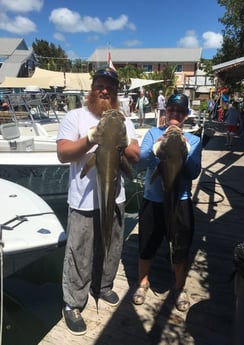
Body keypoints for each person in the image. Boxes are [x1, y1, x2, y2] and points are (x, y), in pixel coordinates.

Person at [56, 65, 140, 335]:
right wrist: (91, 138)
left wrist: (122, 142)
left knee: (112, 245)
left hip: (116, 198)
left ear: (116, 92)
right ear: (92, 88)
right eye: (100, 85)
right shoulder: (74, 116)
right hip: (82, 202)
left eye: (110, 87)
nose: (104, 90)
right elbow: (63, 153)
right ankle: (73, 303)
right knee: (79, 252)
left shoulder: (123, 119)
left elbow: (135, 156)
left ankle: (103, 286)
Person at [132, 93, 202, 312]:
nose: (175, 114)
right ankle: (143, 282)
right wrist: (158, 149)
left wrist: (185, 151)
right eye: (171, 109)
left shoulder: (194, 140)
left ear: (186, 115)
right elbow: (139, 162)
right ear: (165, 111)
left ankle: (180, 287)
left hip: (180, 201)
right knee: (147, 244)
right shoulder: (153, 133)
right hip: (153, 199)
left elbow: (193, 172)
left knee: (181, 245)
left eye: (180, 111)